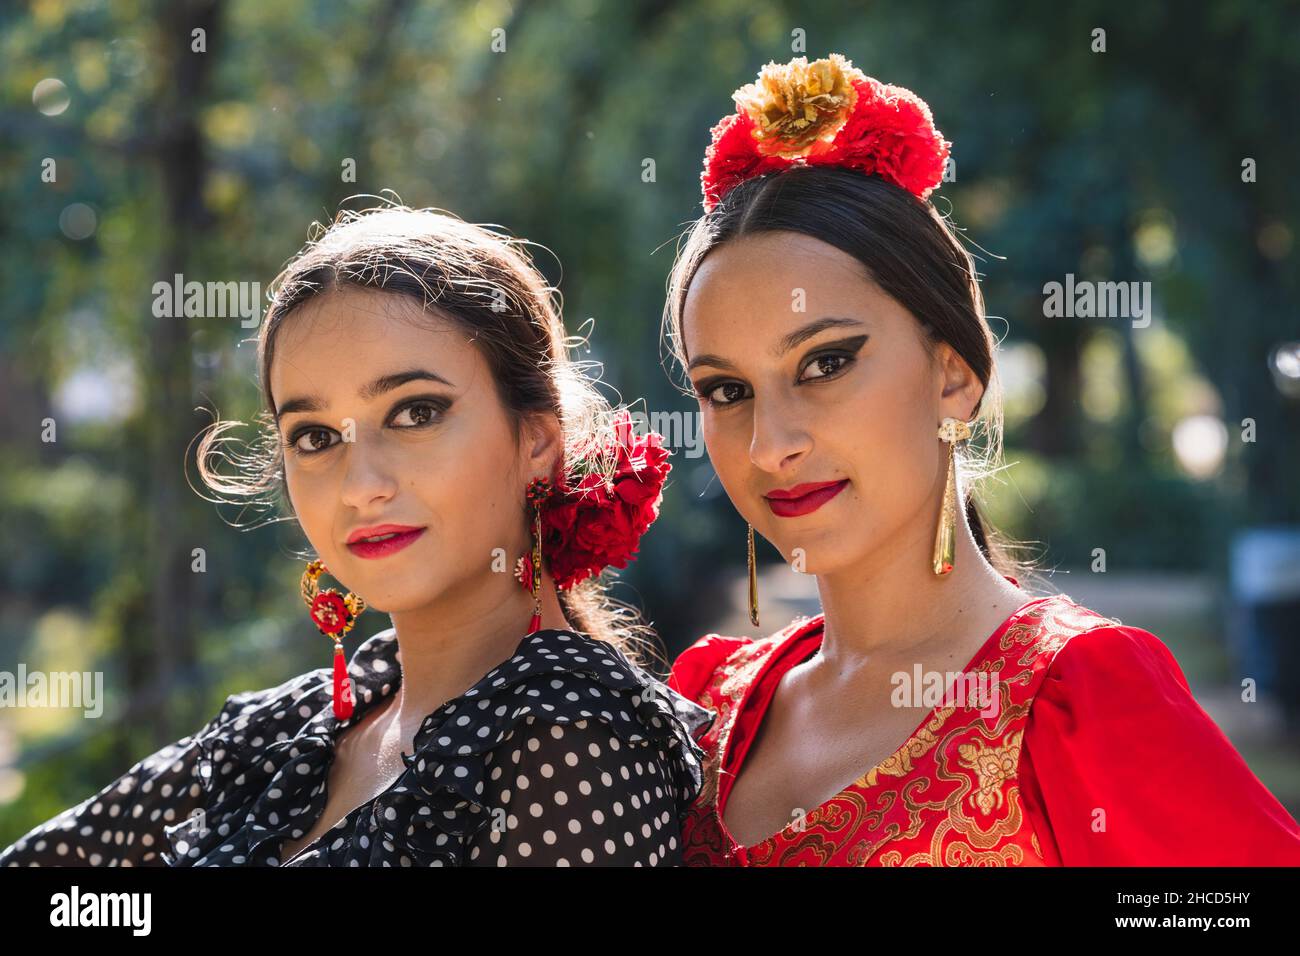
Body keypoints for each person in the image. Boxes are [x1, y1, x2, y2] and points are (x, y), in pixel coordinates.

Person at [661, 54, 1300, 866]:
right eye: (727, 391)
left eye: (825, 363)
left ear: (955, 377)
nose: (770, 442)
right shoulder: (705, 705)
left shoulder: (1076, 694)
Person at [2, 204, 712, 867]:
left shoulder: (576, 740)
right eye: (313, 436)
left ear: (537, 439)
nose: (358, 484)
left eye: (414, 413)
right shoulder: (287, 731)